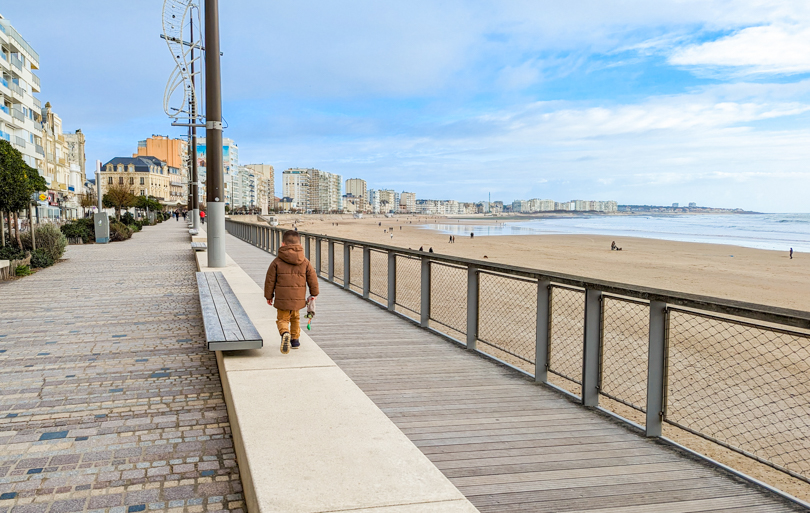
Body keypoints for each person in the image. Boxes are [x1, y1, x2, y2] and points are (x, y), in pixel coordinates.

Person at [265, 230, 319, 354]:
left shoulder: (277, 262)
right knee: (295, 318)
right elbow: (312, 278)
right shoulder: (305, 261)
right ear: (300, 245)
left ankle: (285, 333)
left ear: (282, 244)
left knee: (283, 319)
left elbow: (269, 280)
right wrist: (314, 293)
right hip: (298, 297)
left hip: (282, 298)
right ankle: (295, 340)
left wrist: (269, 296)